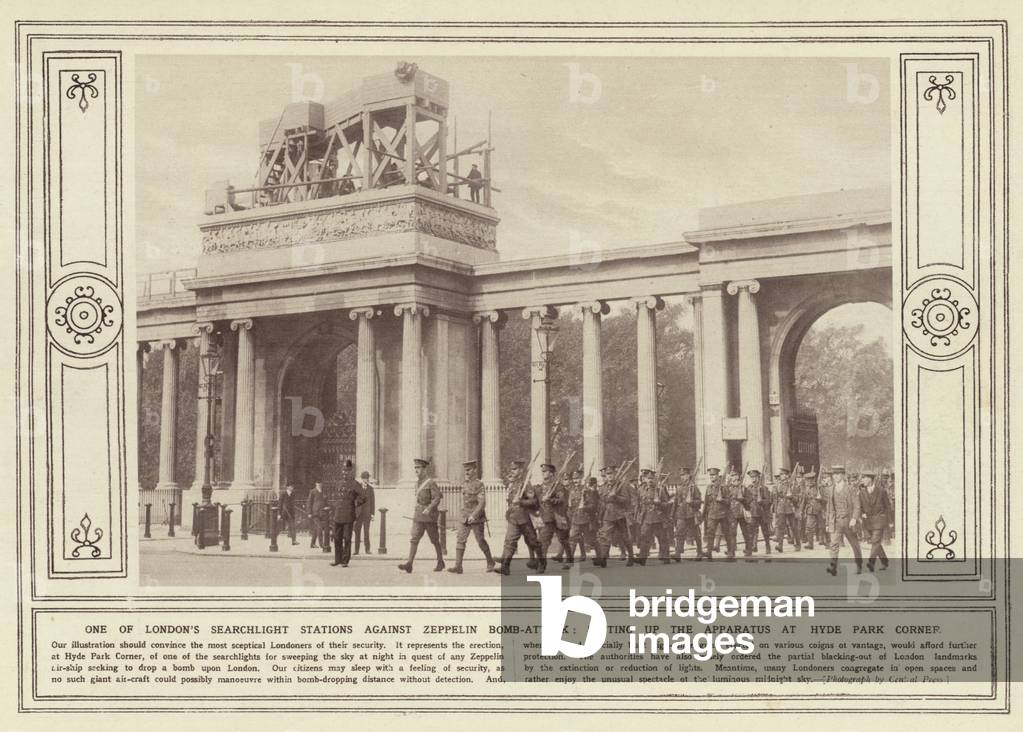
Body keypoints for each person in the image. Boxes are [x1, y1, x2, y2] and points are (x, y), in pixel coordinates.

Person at [494, 459, 542, 576]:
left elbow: (534, 501)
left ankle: (541, 563)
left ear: (521, 471)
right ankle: (505, 567)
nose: (512, 471)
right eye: (512, 469)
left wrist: (520, 502)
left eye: (515, 469)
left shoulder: (526, 484)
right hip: (514, 518)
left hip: (525, 518)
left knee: (533, 542)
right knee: (509, 541)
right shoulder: (513, 484)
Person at [398, 459, 445, 573]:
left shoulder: (430, 482)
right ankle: (409, 564)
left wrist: (429, 508)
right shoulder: (417, 483)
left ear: (424, 469)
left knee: (434, 540)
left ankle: (440, 561)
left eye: (418, 468)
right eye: (415, 468)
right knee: (414, 539)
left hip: (429, 517)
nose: (416, 470)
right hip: (419, 516)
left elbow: (437, 498)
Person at [449, 460, 496, 574]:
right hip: (465, 516)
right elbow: (464, 501)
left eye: (469, 470)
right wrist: (461, 515)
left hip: (476, 517)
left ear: (474, 470)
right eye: (465, 470)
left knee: (480, 541)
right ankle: (458, 566)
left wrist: (474, 515)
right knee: (460, 539)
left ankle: (490, 562)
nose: (467, 472)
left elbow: (482, 503)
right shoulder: (464, 484)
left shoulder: (479, 484)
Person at [825, 465, 862, 575]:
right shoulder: (831, 489)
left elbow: (857, 505)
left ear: (842, 475)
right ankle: (833, 567)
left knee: (854, 544)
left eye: (838, 474)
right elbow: (829, 507)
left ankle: (859, 566)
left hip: (848, 521)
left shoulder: (850, 488)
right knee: (834, 544)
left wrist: (854, 518)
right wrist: (827, 522)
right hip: (836, 521)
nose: (835, 476)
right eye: (834, 474)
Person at [596, 465, 634, 568]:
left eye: (611, 474)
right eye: (607, 474)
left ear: (615, 474)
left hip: (619, 514)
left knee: (625, 537)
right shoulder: (604, 486)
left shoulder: (622, 485)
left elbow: (627, 500)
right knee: (605, 536)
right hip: (608, 515)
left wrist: (615, 497)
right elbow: (602, 500)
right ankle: (603, 558)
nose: (609, 476)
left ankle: (631, 556)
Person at [330, 462, 367, 567]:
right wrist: (335, 507)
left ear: (351, 471)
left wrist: (356, 504)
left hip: (348, 515)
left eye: (347, 470)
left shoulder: (355, 484)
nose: (344, 473)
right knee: (337, 538)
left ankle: (345, 560)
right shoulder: (339, 483)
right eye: (343, 470)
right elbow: (335, 497)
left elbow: (363, 497)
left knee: (347, 538)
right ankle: (337, 559)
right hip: (338, 514)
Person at [536, 463, 570, 573]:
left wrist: (549, 499)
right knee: (543, 541)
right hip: (547, 517)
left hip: (558, 516)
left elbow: (561, 500)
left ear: (551, 473)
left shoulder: (557, 486)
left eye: (545, 471)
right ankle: (542, 565)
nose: (543, 473)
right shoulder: (541, 486)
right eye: (542, 471)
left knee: (563, 540)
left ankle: (569, 559)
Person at [635, 467, 672, 565]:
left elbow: (667, 504)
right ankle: (642, 558)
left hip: (658, 518)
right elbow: (638, 503)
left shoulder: (660, 489)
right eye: (648, 478)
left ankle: (666, 557)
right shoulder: (641, 489)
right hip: (646, 517)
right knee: (644, 537)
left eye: (652, 479)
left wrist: (659, 503)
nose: (650, 481)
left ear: (655, 479)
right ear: (645, 479)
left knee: (662, 538)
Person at [858, 471, 891, 571]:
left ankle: (870, 563)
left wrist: (890, 521)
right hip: (868, 521)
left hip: (879, 520)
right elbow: (859, 506)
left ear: (871, 479)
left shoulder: (881, 491)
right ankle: (885, 562)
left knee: (875, 541)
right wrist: (861, 514)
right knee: (876, 543)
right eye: (862, 478)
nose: (863, 480)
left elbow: (888, 506)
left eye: (865, 478)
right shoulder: (861, 492)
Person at [567, 474, 600, 566]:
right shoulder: (572, 490)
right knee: (572, 538)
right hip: (575, 518)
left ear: (581, 479)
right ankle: (569, 561)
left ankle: (600, 558)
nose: (575, 480)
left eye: (577, 478)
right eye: (574, 479)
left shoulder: (586, 491)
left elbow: (592, 505)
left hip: (586, 519)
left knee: (591, 540)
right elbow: (570, 506)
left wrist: (584, 507)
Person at [703, 467, 735, 560]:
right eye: (711, 475)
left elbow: (729, 501)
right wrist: (704, 513)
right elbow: (706, 502)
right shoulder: (709, 487)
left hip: (723, 514)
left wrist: (722, 500)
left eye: (713, 475)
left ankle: (730, 552)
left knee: (726, 533)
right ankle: (709, 552)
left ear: (717, 476)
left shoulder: (724, 487)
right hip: (712, 514)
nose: (712, 477)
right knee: (710, 533)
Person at [672, 467, 702, 561]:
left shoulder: (694, 487)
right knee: (679, 533)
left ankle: (699, 552)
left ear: (689, 475)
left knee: (696, 534)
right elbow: (676, 502)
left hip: (691, 514)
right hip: (681, 513)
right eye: (681, 475)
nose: (682, 477)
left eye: (684, 475)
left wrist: (692, 502)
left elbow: (699, 501)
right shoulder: (679, 487)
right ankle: (678, 553)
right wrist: (672, 514)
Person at [773, 468, 801, 552]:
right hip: (781, 508)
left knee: (793, 527)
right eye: (781, 474)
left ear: (787, 475)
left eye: (783, 474)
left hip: (790, 507)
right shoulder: (778, 485)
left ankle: (798, 544)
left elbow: (797, 499)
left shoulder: (792, 485)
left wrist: (791, 496)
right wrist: (775, 508)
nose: (782, 476)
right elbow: (776, 498)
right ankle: (780, 545)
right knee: (781, 527)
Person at [745, 469, 772, 556]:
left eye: (755, 477)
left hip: (762, 512)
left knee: (765, 531)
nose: (753, 479)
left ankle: (768, 546)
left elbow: (768, 501)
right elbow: (747, 500)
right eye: (752, 477)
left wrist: (762, 502)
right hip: (753, 512)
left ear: (758, 477)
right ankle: (750, 549)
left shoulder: (763, 488)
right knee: (751, 531)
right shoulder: (748, 488)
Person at [353, 470, 375, 555]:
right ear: (361, 479)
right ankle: (356, 550)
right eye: (364, 478)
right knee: (357, 531)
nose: (365, 480)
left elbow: (373, 502)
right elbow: (354, 501)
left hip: (367, 513)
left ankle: (367, 549)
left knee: (366, 532)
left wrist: (372, 514)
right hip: (358, 514)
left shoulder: (371, 489)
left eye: (367, 478)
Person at [307, 481, 328, 549]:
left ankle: (312, 544)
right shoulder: (312, 491)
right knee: (320, 527)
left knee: (316, 529)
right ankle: (321, 544)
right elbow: (309, 502)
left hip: (322, 512)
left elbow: (325, 501)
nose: (319, 485)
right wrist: (309, 512)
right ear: (316, 484)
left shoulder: (324, 491)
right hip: (315, 513)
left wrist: (327, 506)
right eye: (318, 483)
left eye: (321, 483)